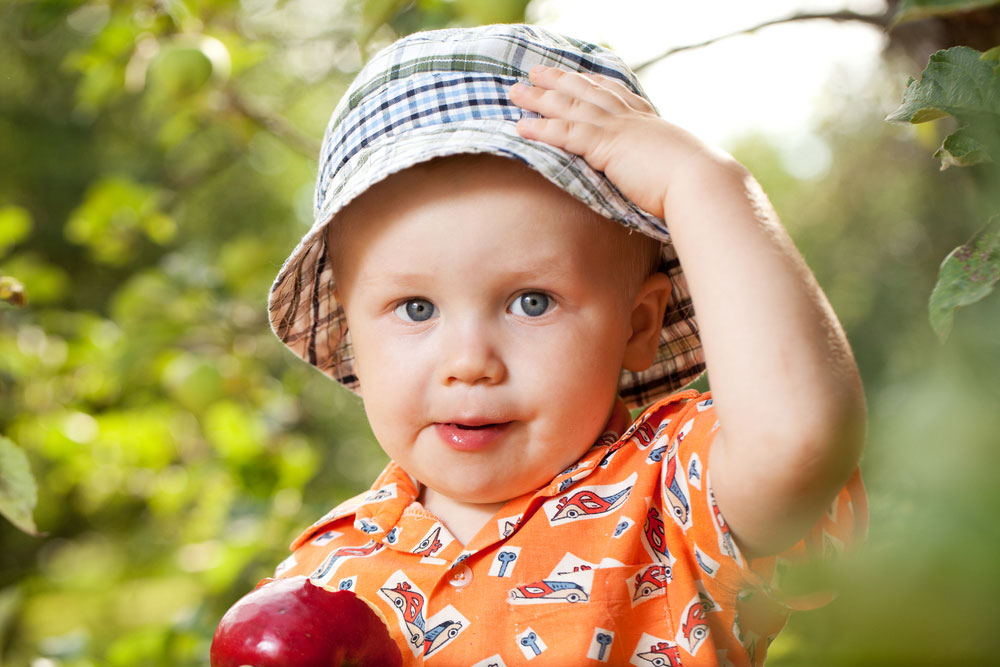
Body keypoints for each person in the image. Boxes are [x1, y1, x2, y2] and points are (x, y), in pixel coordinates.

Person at [265, 23, 867, 666]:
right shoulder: (320, 576)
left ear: (637, 328)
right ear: (352, 336)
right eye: (416, 308)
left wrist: (697, 181)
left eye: (532, 302)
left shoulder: (672, 498)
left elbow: (796, 439)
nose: (470, 362)